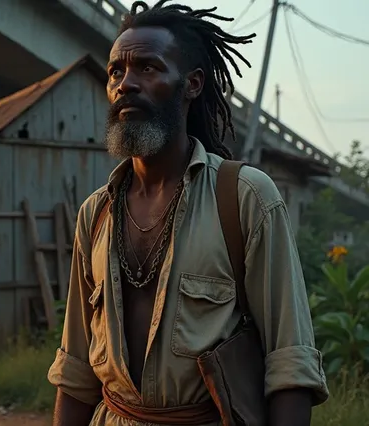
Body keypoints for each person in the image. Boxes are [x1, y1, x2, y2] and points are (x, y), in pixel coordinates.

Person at [46, 1, 329, 425]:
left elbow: (290, 364)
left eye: (147, 67)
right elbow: (76, 373)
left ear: (192, 84)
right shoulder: (96, 214)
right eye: (116, 72)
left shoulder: (244, 197)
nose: (125, 84)